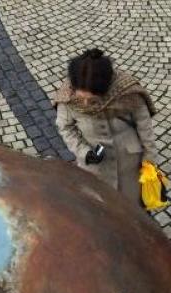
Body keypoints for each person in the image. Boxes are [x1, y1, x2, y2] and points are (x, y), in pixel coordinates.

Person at [54, 48, 158, 205]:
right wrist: (84, 152)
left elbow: (144, 126)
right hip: (95, 170)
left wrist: (149, 159)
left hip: (129, 167)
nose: (85, 104)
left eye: (92, 99)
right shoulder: (67, 99)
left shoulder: (128, 93)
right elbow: (66, 128)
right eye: (81, 98)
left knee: (133, 209)